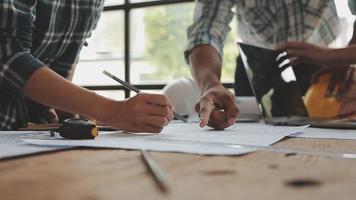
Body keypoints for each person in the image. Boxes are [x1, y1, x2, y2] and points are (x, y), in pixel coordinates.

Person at [0, 0, 174, 132]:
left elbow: (67, 54)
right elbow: (8, 55)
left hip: (31, 135)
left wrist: (68, 108)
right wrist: (111, 111)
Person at [185, 0, 345, 130]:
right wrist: (210, 85)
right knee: (248, 133)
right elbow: (205, 30)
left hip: (319, 62)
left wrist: (343, 57)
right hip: (255, 67)